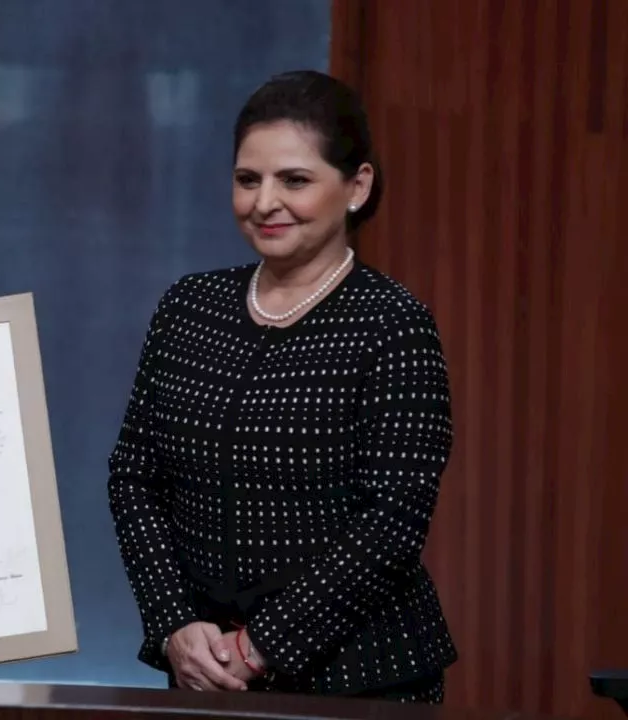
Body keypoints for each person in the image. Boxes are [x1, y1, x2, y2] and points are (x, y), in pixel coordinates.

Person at [107, 70, 456, 704]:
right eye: (248, 180)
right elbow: (135, 479)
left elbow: (393, 522)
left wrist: (259, 645)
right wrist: (174, 627)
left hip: (363, 681)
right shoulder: (188, 308)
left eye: (294, 180)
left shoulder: (393, 325)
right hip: (203, 676)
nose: (265, 201)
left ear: (357, 186)